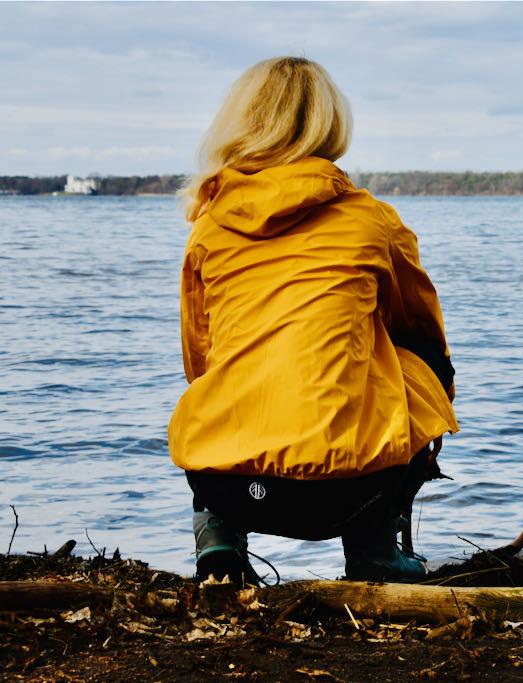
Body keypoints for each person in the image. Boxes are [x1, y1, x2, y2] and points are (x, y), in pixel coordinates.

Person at [167, 56, 458, 584]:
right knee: (424, 363)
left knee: (215, 386)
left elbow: (198, 357)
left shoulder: (208, 226)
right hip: (349, 489)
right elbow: (419, 328)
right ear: (330, 123)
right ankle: (373, 547)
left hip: (227, 482)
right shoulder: (372, 219)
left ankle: (218, 539)